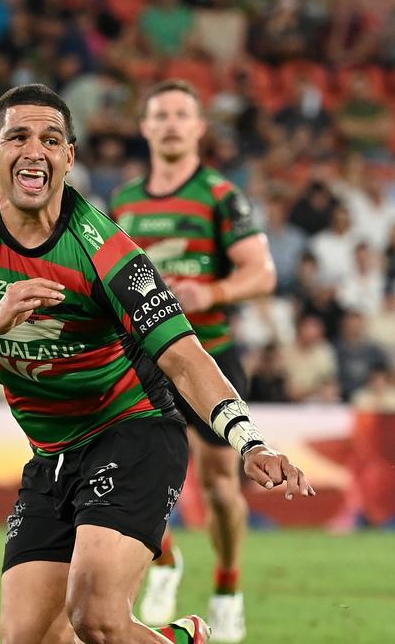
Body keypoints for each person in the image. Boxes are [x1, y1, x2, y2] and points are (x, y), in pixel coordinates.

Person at [0, 83, 312, 644]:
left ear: (68, 158)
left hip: (133, 431)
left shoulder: (103, 247)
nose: (34, 150)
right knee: (28, 639)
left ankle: (220, 587)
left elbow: (184, 355)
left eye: (51, 139)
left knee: (94, 617)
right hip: (50, 453)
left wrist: (252, 443)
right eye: (18, 136)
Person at [110, 79, 277, 643]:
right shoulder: (126, 201)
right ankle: (166, 561)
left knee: (221, 488)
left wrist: (216, 293)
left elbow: (263, 273)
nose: (173, 124)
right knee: (127, 476)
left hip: (207, 355)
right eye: (161, 115)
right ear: (146, 127)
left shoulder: (221, 195)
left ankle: (228, 588)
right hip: (143, 359)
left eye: (183, 114)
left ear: (200, 127)